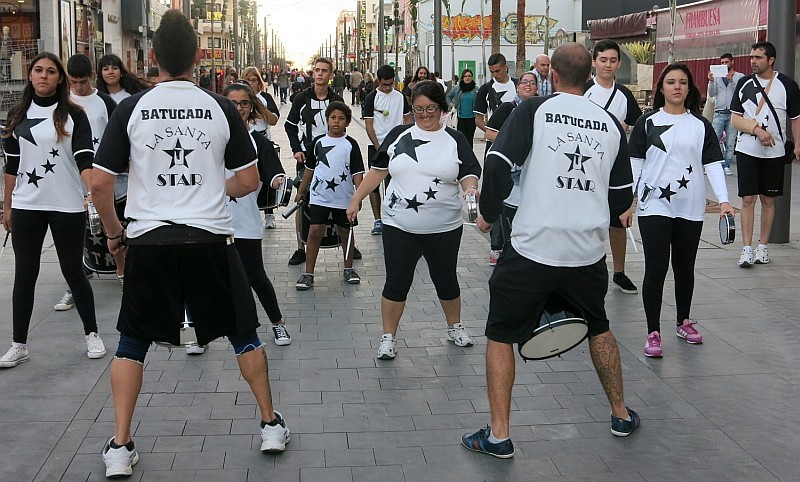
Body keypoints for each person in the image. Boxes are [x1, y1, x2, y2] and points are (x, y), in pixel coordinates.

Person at [90, 11, 289, 478]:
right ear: (199, 57)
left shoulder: (131, 108)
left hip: (150, 240)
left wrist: (116, 235)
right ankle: (270, 425)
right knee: (244, 332)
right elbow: (250, 179)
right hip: (209, 240)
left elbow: (100, 183)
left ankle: (120, 445)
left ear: (153, 57)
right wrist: (208, 190)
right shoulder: (220, 107)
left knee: (130, 344)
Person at [463, 44, 640, 459]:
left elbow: (498, 162)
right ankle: (619, 414)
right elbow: (620, 200)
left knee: (500, 334)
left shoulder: (533, 110)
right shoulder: (612, 123)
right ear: (589, 73)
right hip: (586, 250)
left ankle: (499, 435)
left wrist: (488, 213)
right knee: (599, 325)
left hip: (532, 246)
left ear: (554, 76)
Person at [347, 81, 481, 360]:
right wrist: (356, 198)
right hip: (399, 225)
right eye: (418, 109)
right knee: (396, 282)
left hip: (444, 227)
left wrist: (470, 189)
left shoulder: (455, 139)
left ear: (442, 108)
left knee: (445, 279)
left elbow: (469, 171)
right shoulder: (399, 134)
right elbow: (377, 171)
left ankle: (454, 326)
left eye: (430, 108)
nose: (424, 114)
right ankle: (388, 337)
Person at [0, 52, 104, 368]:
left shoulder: (75, 114)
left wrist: (93, 193)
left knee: (73, 271)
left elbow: (85, 160)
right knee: (25, 273)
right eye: (38, 70)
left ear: (59, 78)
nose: (44, 76)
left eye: (50, 71)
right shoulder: (17, 115)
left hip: (66, 204)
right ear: (30, 76)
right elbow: (11, 167)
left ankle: (92, 333)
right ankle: (19, 344)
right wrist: (7, 206)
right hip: (27, 204)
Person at [629, 63, 734, 357]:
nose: (677, 87)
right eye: (671, 82)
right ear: (661, 87)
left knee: (684, 268)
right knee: (657, 267)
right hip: (653, 206)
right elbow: (635, 163)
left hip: (690, 206)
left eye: (683, 82)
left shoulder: (700, 125)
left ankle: (683, 321)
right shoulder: (647, 122)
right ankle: (652, 331)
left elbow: (712, 164)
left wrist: (724, 200)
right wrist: (628, 200)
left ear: (689, 89)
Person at [51, 54, 122, 314]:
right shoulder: (62, 102)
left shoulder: (105, 102)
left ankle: (124, 275)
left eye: (82, 82)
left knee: (111, 226)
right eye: (73, 82)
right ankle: (75, 282)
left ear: (91, 76)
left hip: (100, 173)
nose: (78, 87)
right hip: (69, 174)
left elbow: (118, 134)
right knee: (73, 233)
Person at [223, 81, 292, 346]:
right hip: (211, 221)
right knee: (205, 278)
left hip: (245, 221)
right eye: (233, 103)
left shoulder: (258, 142)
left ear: (252, 107)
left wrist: (279, 182)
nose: (239, 108)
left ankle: (278, 324)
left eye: (244, 103)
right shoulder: (210, 138)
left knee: (256, 277)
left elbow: (274, 171)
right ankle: (200, 334)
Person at [730, 41, 800, 267]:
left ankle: (763, 247)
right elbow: (735, 118)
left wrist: (798, 145)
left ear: (771, 60)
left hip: (775, 152)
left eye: (758, 57)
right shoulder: (744, 83)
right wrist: (757, 130)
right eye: (752, 57)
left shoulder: (787, 85)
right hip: (747, 149)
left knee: (768, 199)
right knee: (747, 198)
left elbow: (795, 119)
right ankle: (746, 249)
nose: (753, 61)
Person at [585, 39, 643, 294]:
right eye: (603, 60)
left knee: (618, 221)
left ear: (618, 63)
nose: (608, 65)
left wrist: (625, 129)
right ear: (594, 62)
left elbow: (638, 126)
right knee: (586, 218)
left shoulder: (624, 94)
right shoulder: (583, 90)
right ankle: (585, 268)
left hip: (616, 167)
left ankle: (619, 272)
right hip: (586, 165)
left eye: (612, 60)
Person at [284, 57, 347, 266]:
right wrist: (296, 150)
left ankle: (348, 242)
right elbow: (290, 125)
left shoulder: (336, 99)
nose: (320, 74)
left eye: (324, 71)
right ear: (313, 73)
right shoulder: (301, 98)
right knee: (301, 199)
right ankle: (300, 246)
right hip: (307, 157)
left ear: (331, 75)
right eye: (317, 70)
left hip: (333, 160)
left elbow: (344, 124)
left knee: (340, 197)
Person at [294, 101, 364, 290]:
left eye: (341, 119)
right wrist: (301, 191)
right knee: (315, 231)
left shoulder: (351, 144)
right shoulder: (318, 142)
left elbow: (358, 172)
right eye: (333, 118)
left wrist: (358, 197)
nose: (336, 122)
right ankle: (308, 273)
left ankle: (348, 268)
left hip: (344, 197)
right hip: (319, 196)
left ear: (347, 122)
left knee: (345, 232)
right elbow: (309, 168)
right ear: (326, 120)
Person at [482, 70, 538, 265]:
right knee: (504, 210)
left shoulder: (542, 110)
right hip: (509, 171)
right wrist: (513, 143)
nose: (528, 85)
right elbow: (489, 132)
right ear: (517, 86)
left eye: (532, 82)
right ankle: (498, 247)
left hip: (531, 174)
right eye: (524, 82)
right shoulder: (508, 108)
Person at [474, 53, 517, 265]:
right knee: (495, 190)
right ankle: (495, 243)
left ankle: (512, 242)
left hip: (517, 149)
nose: (495, 75)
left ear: (505, 68)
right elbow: (479, 119)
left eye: (498, 71)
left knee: (514, 192)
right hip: (495, 147)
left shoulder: (517, 87)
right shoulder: (485, 90)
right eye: (492, 72)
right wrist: (493, 132)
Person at [363, 64, 412, 236]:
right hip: (377, 146)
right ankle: (378, 220)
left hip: (398, 148)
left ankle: (394, 217)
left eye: (391, 84)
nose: (388, 87)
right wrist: (379, 147)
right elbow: (369, 126)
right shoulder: (371, 98)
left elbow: (407, 120)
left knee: (395, 183)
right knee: (374, 185)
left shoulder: (400, 97)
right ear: (378, 81)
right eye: (385, 84)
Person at [708, 53, 745, 176]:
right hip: (719, 112)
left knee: (730, 142)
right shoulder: (717, 77)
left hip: (733, 113)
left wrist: (732, 81)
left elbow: (741, 94)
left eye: (726, 62)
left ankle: (726, 165)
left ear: (732, 62)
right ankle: (711, 164)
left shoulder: (740, 77)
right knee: (713, 140)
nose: (724, 65)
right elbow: (712, 94)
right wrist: (711, 81)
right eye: (722, 63)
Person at [446, 68, 479, 144]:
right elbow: (448, 96)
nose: (467, 78)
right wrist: (452, 105)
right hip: (460, 118)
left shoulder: (476, 89)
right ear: (462, 78)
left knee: (470, 138)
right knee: (461, 139)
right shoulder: (457, 88)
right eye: (465, 76)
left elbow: (480, 101)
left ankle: (469, 154)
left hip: (472, 118)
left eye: (469, 76)